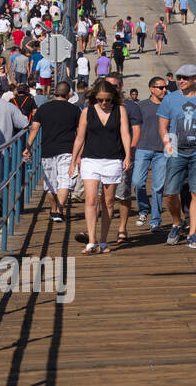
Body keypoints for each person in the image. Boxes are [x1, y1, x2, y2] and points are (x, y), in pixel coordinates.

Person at [158, 63, 196, 249]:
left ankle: (192, 234)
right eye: (179, 78)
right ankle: (177, 222)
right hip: (176, 151)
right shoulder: (169, 100)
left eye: (185, 78)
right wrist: (168, 144)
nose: (181, 81)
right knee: (170, 193)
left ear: (195, 79)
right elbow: (162, 125)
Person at [69, 79, 132, 254]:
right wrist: (74, 159)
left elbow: (125, 134)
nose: (104, 103)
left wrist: (127, 155)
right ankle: (91, 240)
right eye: (101, 99)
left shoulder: (120, 110)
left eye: (108, 100)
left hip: (113, 159)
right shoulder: (87, 111)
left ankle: (103, 241)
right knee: (91, 200)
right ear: (95, 97)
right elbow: (80, 137)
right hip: (90, 159)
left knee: (109, 202)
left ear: (114, 98)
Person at [24, 81, 81, 224]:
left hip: (48, 150)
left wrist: (28, 147)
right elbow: (80, 134)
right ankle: (59, 211)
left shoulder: (43, 108)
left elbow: (34, 129)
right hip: (67, 150)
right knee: (65, 182)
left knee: (50, 183)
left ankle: (54, 208)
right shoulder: (75, 110)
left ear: (55, 92)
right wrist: (80, 154)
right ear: (68, 94)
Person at [104, 72, 144, 243]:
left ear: (120, 86)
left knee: (123, 194)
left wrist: (131, 152)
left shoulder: (131, 107)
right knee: (101, 196)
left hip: (122, 156)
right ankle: (102, 231)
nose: (109, 89)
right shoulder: (99, 104)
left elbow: (136, 131)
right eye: (106, 85)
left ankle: (122, 227)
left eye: (113, 86)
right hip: (101, 156)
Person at [133, 75, 170, 232]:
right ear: (152, 89)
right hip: (143, 148)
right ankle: (143, 209)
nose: (164, 90)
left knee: (158, 187)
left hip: (162, 151)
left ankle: (155, 220)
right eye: (161, 87)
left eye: (165, 87)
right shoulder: (140, 106)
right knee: (137, 183)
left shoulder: (169, 105)